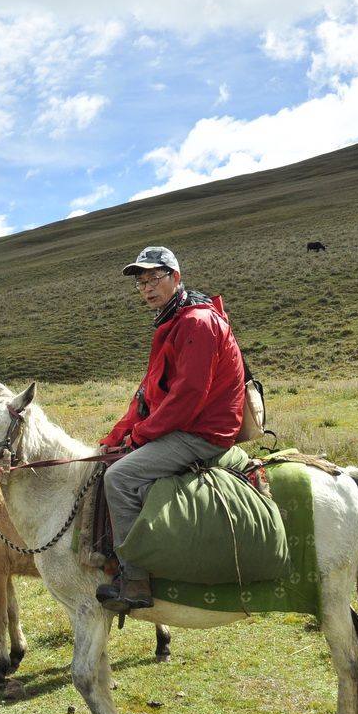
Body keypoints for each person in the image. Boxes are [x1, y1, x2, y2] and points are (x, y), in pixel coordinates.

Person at [96, 247, 245, 611]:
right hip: (186, 426)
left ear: (176, 278)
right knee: (110, 459)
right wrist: (115, 438)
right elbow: (149, 394)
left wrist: (141, 436)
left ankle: (135, 581)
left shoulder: (196, 323)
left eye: (154, 278)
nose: (147, 288)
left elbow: (188, 396)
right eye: (141, 282)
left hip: (203, 433)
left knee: (118, 478)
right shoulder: (173, 321)